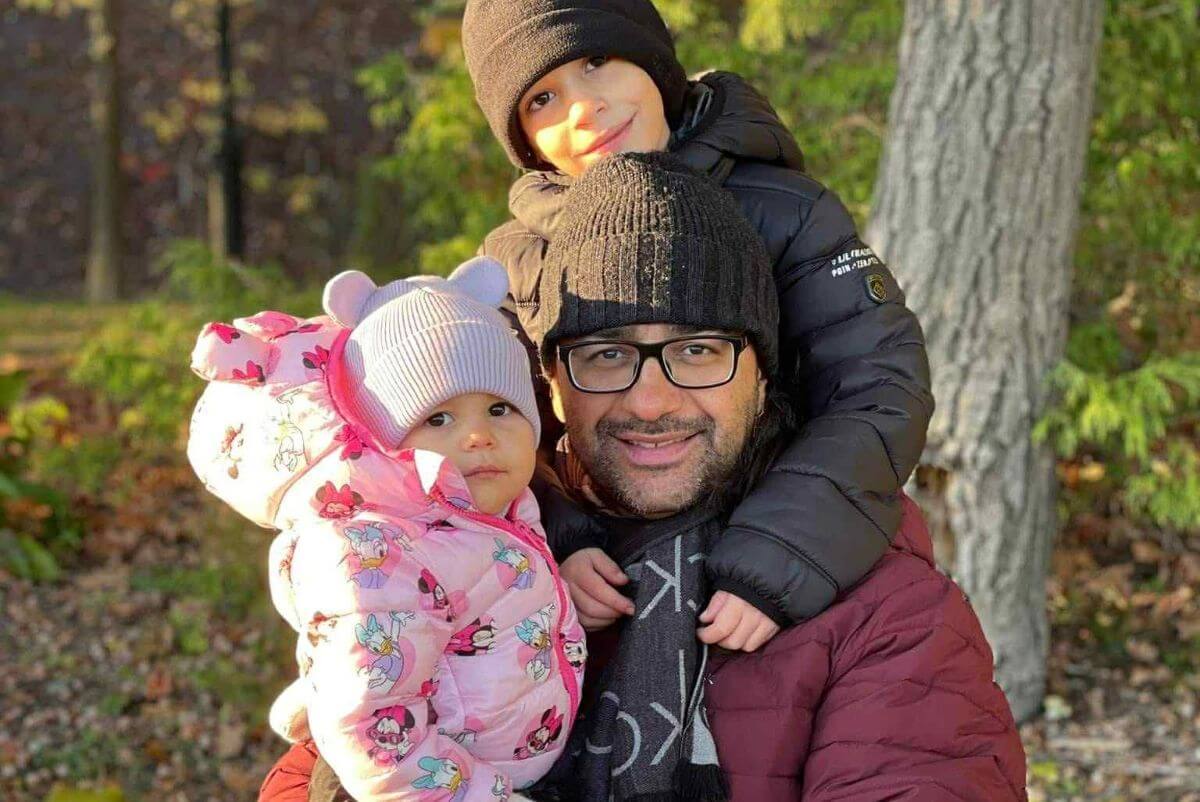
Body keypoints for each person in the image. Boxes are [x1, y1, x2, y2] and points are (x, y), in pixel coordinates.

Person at [259, 154, 1026, 802]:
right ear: (551, 384)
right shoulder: (453, 562)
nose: (650, 401)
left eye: (698, 351)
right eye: (606, 355)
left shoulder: (890, 620)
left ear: (762, 376)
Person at [462, 0, 936, 651]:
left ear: (653, 60)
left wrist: (780, 550)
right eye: (542, 98)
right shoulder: (522, 258)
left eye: (598, 61)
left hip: (771, 540)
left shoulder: (786, 214)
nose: (582, 109)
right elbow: (493, 431)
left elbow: (877, 385)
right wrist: (558, 538)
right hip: (609, 565)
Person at [187, 257, 584, 801]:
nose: (478, 436)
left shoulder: (494, 507)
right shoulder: (377, 556)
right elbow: (377, 737)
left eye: (499, 408)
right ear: (381, 440)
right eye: (437, 418)